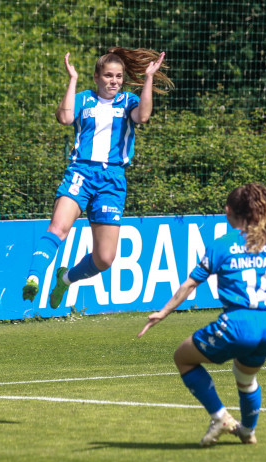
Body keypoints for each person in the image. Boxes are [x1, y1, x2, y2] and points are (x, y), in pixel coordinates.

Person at [137, 183, 266, 446]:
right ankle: (247, 430)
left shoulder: (222, 245)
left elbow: (191, 283)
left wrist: (163, 312)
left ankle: (220, 417)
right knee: (246, 379)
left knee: (182, 357)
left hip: (237, 323)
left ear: (230, 210)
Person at [22, 47, 173, 307]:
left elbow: (144, 116)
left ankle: (66, 279)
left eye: (118, 76)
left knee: (104, 258)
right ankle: (34, 277)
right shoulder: (84, 99)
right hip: (81, 172)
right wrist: (72, 80)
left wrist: (148, 78)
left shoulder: (128, 101)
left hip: (112, 180)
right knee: (58, 228)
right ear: (96, 77)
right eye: (108, 76)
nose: (113, 81)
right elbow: (65, 117)